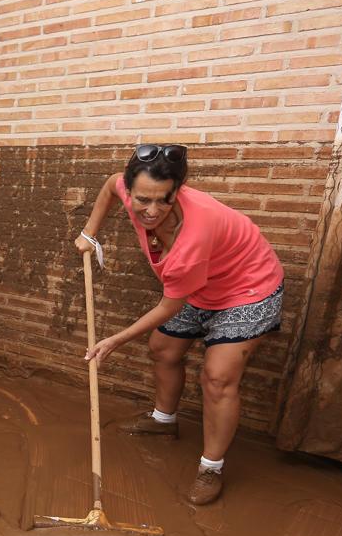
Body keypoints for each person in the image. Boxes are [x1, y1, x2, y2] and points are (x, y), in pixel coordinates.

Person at [76, 144, 284, 505]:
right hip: (199, 285)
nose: (151, 211)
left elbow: (170, 304)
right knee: (163, 349)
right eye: (142, 200)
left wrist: (115, 340)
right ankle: (163, 421)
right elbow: (111, 185)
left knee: (218, 377)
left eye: (164, 201)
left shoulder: (194, 235)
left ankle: (211, 467)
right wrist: (90, 233)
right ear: (133, 188)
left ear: (178, 191)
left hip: (248, 288)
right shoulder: (127, 188)